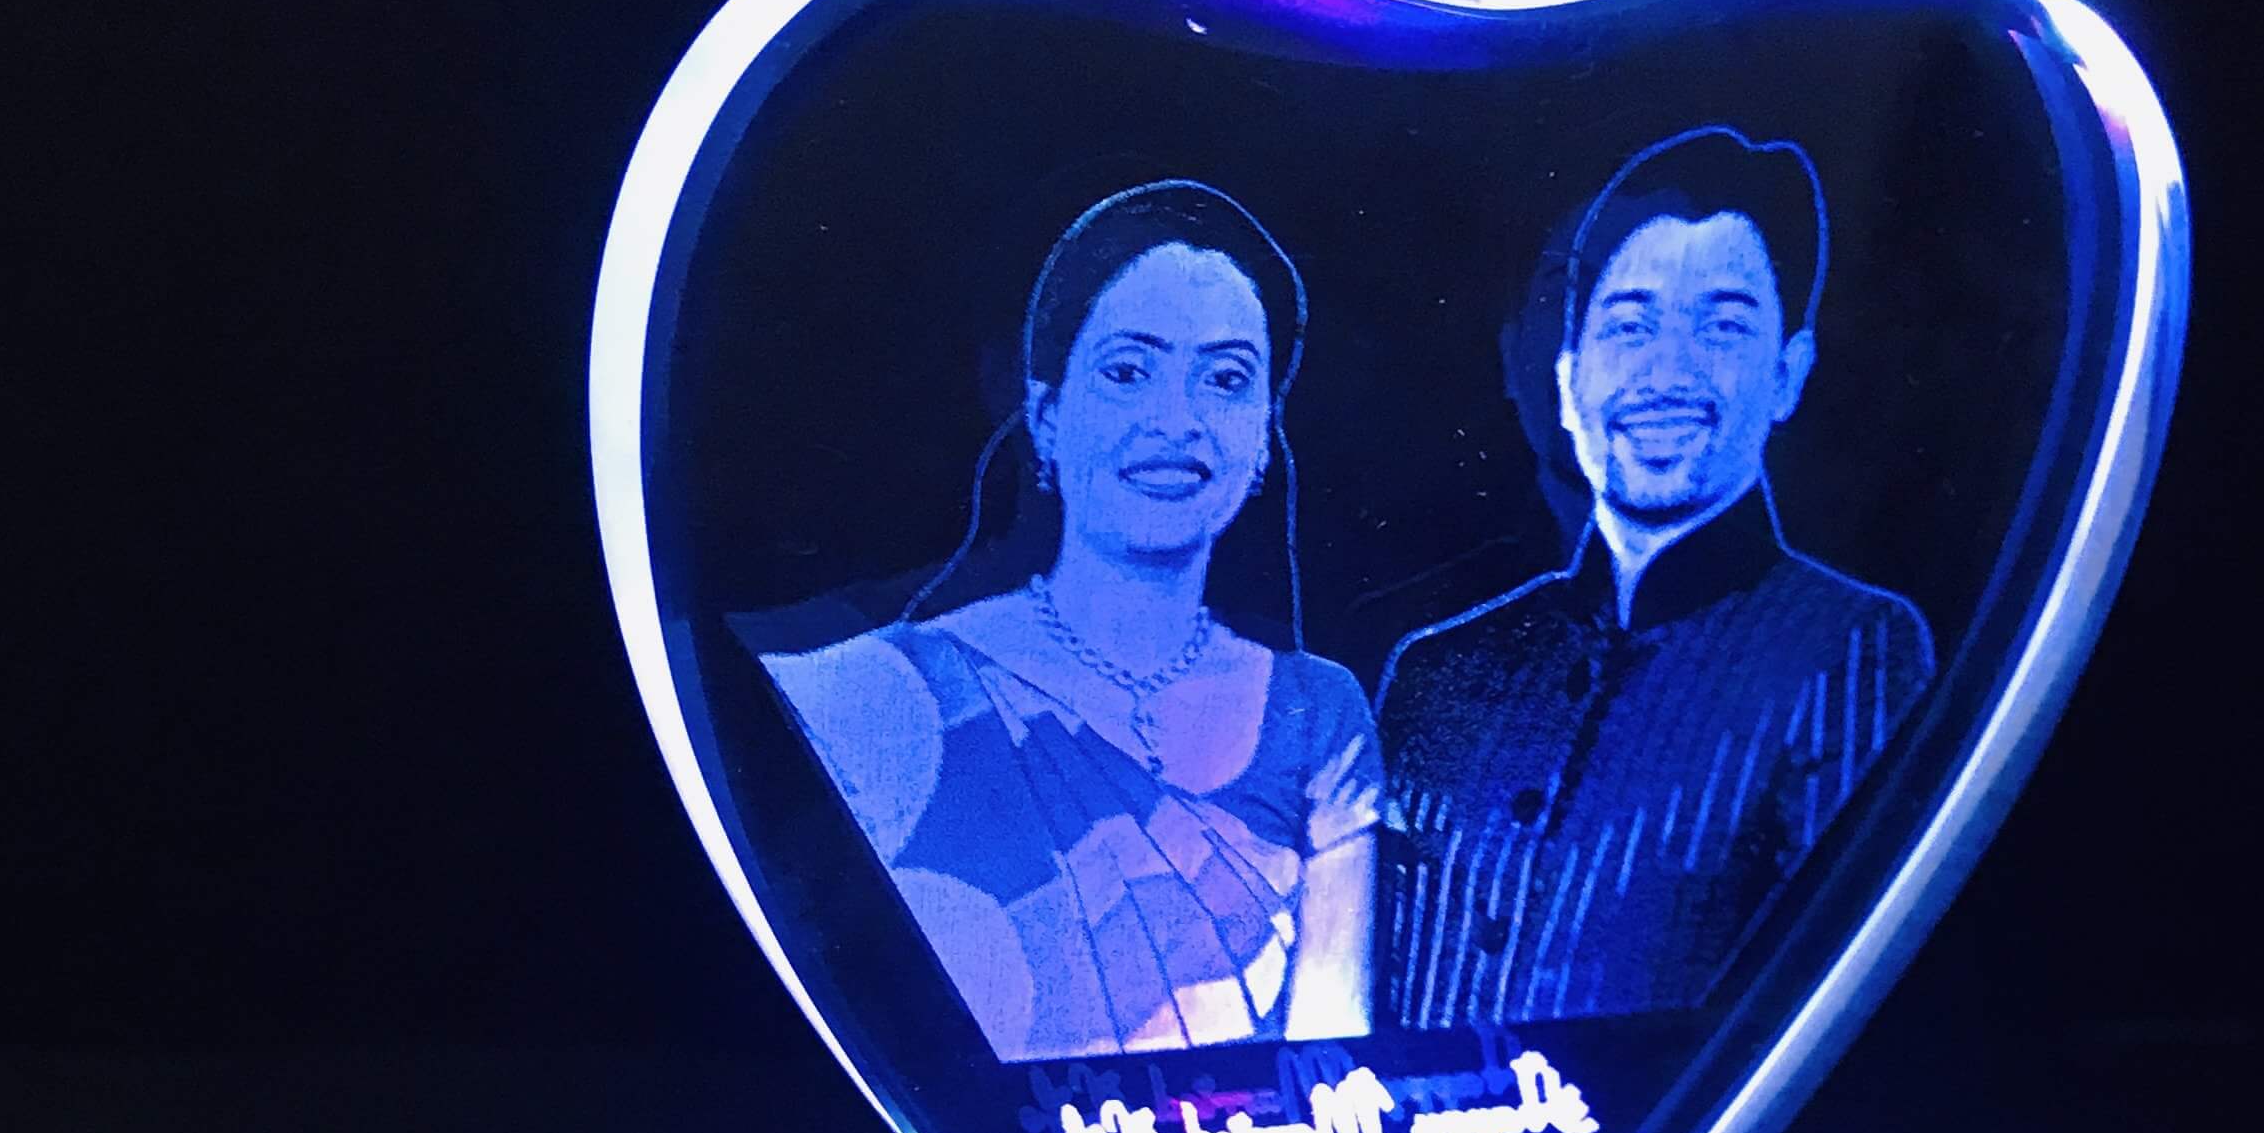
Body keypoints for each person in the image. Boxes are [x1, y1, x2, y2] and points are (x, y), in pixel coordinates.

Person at [767, 184, 1379, 1061]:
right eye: (1128, 372)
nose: (1177, 421)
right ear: (1048, 417)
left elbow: (1335, 1061)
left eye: (1226, 379)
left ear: (1262, 438)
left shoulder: (1319, 713)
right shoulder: (876, 691)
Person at [1375, 129, 1932, 1029]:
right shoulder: (1438, 673)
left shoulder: (1852, 649)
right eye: (1628, 327)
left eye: (1723, 326)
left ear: (1788, 374)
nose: (1665, 374)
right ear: (1568, 381)